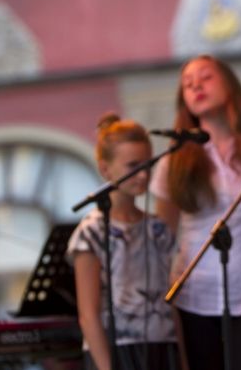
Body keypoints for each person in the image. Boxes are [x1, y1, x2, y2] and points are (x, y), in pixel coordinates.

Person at [150, 55, 241, 370]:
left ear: (229, 85)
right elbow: (163, 235)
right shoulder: (174, 160)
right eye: (188, 84)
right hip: (195, 295)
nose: (196, 87)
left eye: (206, 77)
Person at [67, 113, 179, 370]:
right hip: (117, 350)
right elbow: (88, 315)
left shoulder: (158, 229)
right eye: (133, 166)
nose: (143, 175)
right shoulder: (92, 232)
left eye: (148, 165)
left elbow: (170, 303)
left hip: (162, 346)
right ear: (105, 169)